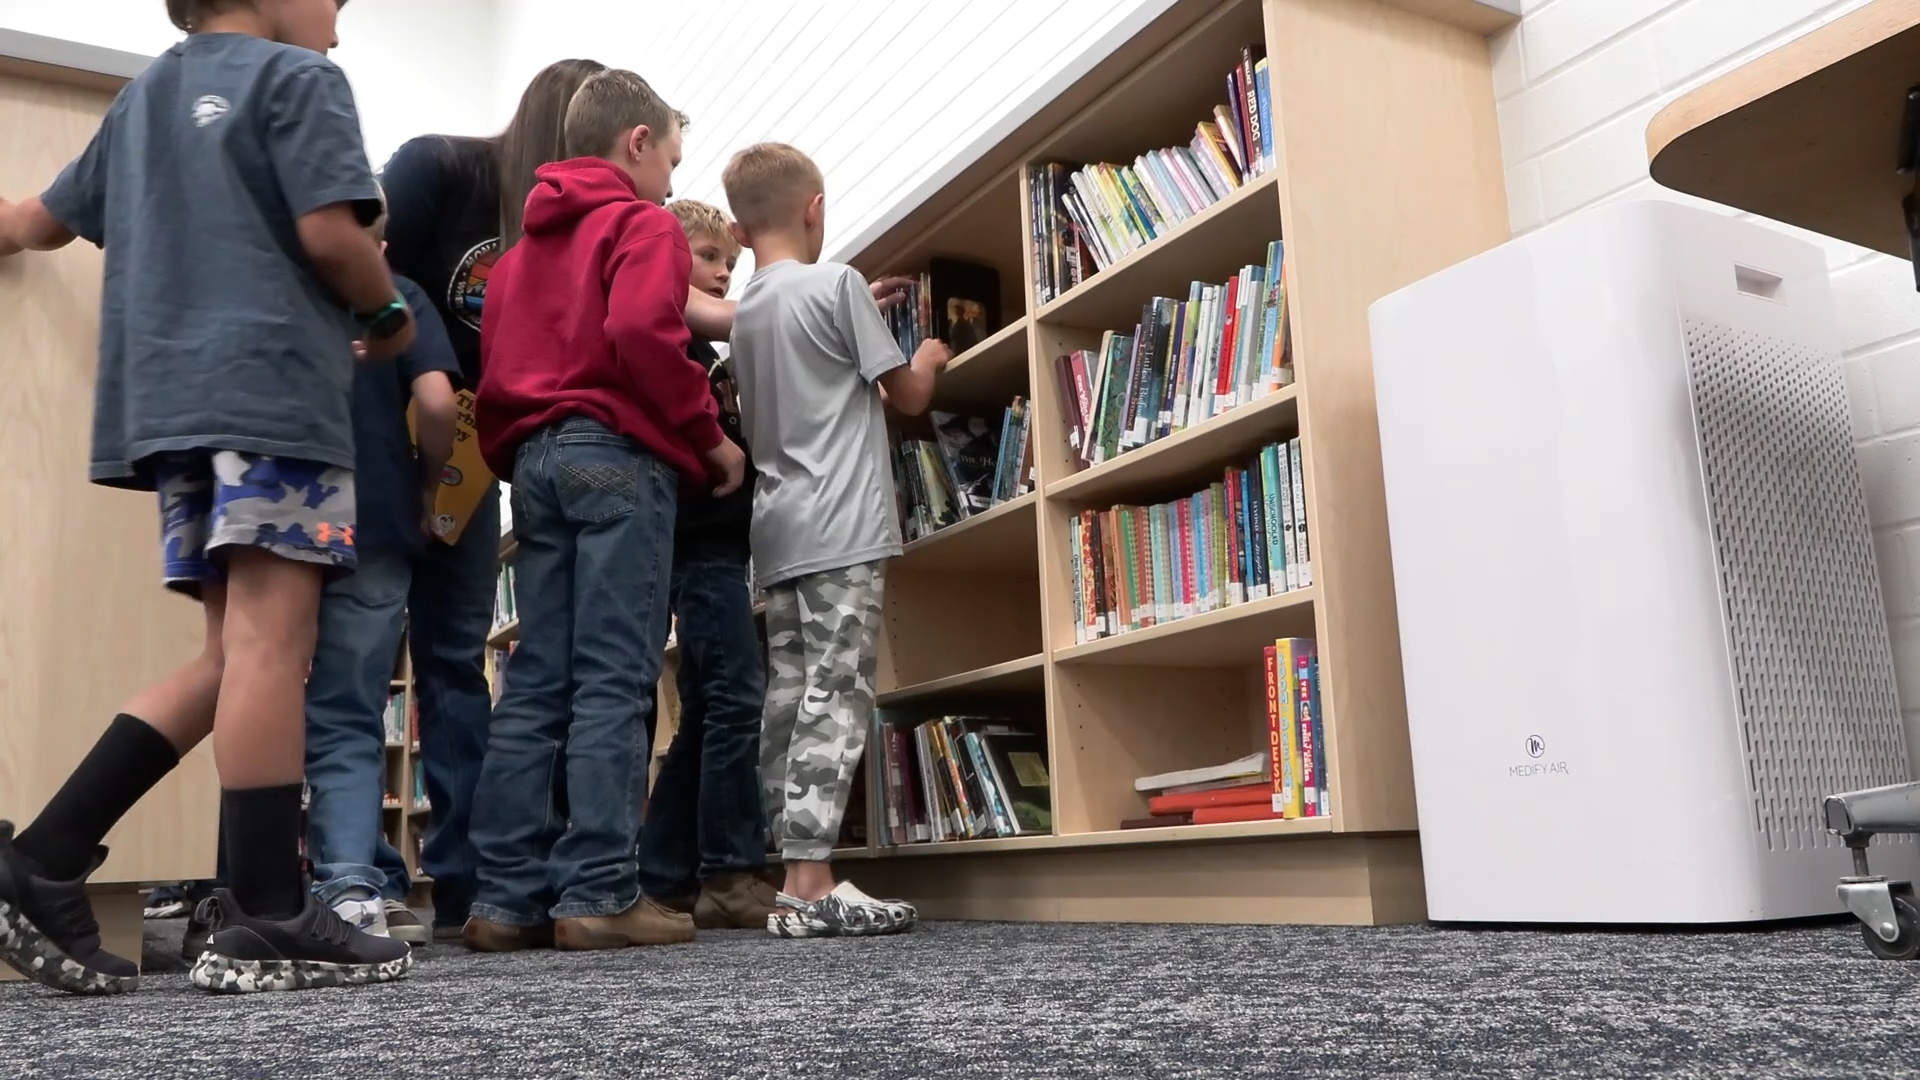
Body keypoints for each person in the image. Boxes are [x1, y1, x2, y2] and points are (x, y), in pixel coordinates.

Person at [0, 0, 415, 994]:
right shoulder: (302, 82)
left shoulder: (142, 99)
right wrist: (391, 313)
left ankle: (44, 859)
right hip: (272, 395)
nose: (340, 27)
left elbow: (30, 222)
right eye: (335, 1)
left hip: (173, 415)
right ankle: (269, 912)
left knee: (232, 655)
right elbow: (331, 235)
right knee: (276, 647)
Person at [467, 70, 744, 953]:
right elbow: (639, 336)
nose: (671, 175)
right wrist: (710, 440)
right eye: (670, 154)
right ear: (636, 144)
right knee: (616, 678)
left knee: (537, 679)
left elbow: (498, 369)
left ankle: (503, 901)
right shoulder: (641, 224)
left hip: (534, 468)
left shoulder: (512, 260)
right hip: (617, 458)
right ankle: (597, 892)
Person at [375, 58, 610, 943]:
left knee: (451, 662)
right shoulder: (439, 168)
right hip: (384, 435)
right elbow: (366, 272)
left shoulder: (565, 222)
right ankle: (359, 870)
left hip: (472, 464)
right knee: (359, 662)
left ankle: (469, 878)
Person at [721, 142, 952, 937]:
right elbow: (908, 394)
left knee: (789, 696)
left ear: (743, 228)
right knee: (837, 694)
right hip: (842, 526)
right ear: (815, 206)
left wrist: (861, 315)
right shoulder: (840, 283)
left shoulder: (747, 308)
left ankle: (790, 873)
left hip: (777, 530)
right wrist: (924, 352)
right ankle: (814, 880)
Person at [301, 191, 461, 946]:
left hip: (283, 511)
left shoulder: (284, 278)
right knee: (350, 711)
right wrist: (425, 485)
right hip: (377, 520)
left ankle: (250, 882)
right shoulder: (401, 295)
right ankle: (351, 883)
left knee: (254, 687)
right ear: (381, 241)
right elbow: (436, 398)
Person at [634, 200, 777, 929]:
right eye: (708, 256)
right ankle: (729, 870)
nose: (723, 272)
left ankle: (665, 871)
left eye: (730, 261)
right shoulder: (675, 346)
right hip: (702, 548)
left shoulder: (707, 353)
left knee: (706, 710)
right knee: (735, 700)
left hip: (715, 549)